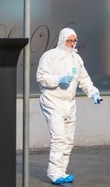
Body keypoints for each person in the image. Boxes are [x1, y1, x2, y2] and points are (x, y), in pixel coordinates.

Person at [36, 28, 102, 185]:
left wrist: (93, 92)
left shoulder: (76, 59)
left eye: (74, 41)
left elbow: (84, 79)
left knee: (68, 140)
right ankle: (53, 173)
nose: (72, 44)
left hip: (69, 103)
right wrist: (58, 80)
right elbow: (41, 77)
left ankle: (61, 171)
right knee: (59, 138)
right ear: (62, 39)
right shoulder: (50, 56)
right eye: (69, 40)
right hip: (52, 100)